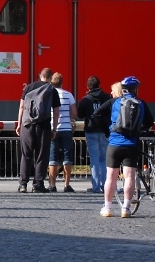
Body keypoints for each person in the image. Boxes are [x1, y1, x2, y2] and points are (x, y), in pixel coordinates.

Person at [93, 75, 154, 218]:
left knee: (111, 177)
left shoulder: (114, 102)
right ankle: (126, 208)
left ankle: (107, 207)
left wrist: (108, 130)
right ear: (136, 89)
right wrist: (139, 130)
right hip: (131, 145)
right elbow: (149, 122)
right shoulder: (141, 103)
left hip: (114, 143)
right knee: (129, 177)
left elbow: (96, 114)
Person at [16, 68, 60, 193]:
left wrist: (19, 124)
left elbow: (21, 107)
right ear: (51, 77)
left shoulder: (29, 87)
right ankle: (38, 184)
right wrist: (54, 129)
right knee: (42, 155)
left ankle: (23, 184)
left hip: (27, 125)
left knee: (26, 155)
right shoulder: (52, 90)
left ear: (40, 76)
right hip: (43, 126)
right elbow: (56, 112)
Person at [77, 76, 111, 193]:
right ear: (99, 85)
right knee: (104, 159)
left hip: (91, 130)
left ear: (88, 87)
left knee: (94, 160)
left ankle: (96, 187)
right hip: (104, 130)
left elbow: (80, 115)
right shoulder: (107, 97)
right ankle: (105, 185)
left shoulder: (85, 99)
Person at [48, 72, 78, 193]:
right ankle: (66, 185)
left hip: (53, 129)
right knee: (67, 157)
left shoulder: (49, 95)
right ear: (62, 82)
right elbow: (75, 113)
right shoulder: (68, 95)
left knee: (52, 158)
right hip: (66, 129)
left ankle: (52, 185)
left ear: (51, 82)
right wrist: (67, 116)